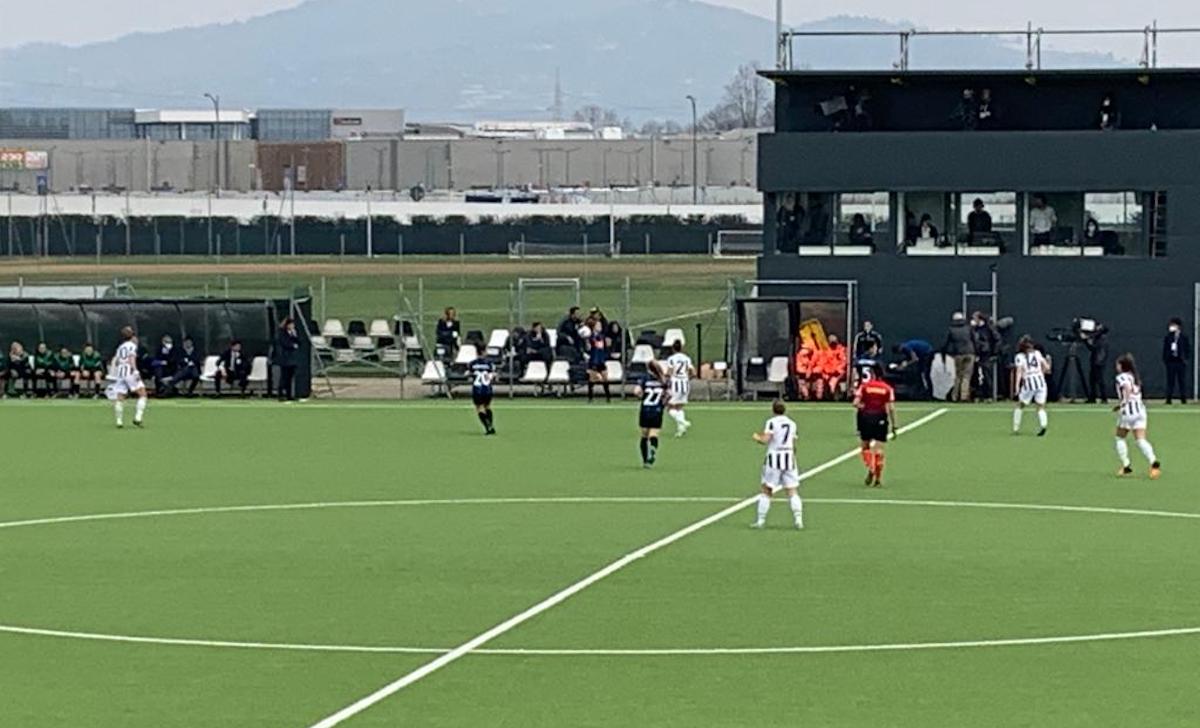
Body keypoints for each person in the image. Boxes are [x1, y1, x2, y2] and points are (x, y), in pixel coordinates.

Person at [751, 400, 804, 531]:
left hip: (774, 457)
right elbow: (792, 442)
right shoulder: (792, 423)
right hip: (789, 457)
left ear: (773, 410)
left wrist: (757, 437)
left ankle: (760, 520)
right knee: (792, 490)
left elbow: (766, 439)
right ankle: (798, 519)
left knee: (767, 489)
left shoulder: (771, 422)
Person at [1114, 354, 1161, 479]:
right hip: (1140, 411)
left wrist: (1123, 403)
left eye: (1118, 364)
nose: (1116, 367)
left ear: (1122, 366)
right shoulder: (1134, 376)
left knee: (1119, 437)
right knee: (1140, 439)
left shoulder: (1121, 377)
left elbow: (1127, 388)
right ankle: (1153, 462)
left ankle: (1126, 465)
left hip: (1128, 412)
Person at [854, 364, 898, 487]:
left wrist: (864, 407)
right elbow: (891, 408)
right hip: (880, 418)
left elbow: (855, 403)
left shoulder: (865, 386)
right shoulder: (887, 388)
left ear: (872, 374)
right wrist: (894, 426)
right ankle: (878, 479)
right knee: (879, 449)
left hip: (865, 418)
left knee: (865, 446)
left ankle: (871, 467)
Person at [108, 326, 147, 428]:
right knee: (142, 394)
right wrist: (135, 371)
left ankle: (119, 421)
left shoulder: (120, 347)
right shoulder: (132, 346)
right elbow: (131, 358)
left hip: (121, 373)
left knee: (120, 396)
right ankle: (138, 417)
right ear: (132, 336)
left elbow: (116, 361)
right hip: (129, 371)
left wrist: (113, 373)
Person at [1011, 335, 1050, 437]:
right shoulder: (1037, 353)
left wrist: (1017, 386)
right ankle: (1043, 424)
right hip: (1041, 382)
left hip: (1029, 382)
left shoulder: (1019, 357)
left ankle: (1016, 427)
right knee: (1040, 406)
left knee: (1020, 405)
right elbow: (1047, 367)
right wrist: (1042, 371)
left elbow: (1019, 372)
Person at [635, 362, 668, 468]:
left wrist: (641, 396)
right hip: (657, 410)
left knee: (644, 436)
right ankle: (653, 451)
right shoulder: (663, 380)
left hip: (645, 409)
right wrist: (663, 403)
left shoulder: (645, 379)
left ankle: (645, 461)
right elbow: (669, 395)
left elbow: (636, 392)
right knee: (654, 434)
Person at [943, 312, 975, 402]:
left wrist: (946, 352)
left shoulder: (951, 329)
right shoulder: (968, 328)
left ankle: (955, 396)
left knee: (958, 375)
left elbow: (946, 343)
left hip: (958, 354)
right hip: (969, 352)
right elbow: (974, 339)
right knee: (967, 376)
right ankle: (964, 396)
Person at [664, 341, 695, 436]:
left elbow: (669, 372)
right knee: (679, 407)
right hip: (685, 383)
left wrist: (666, 380)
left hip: (675, 384)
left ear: (673, 349)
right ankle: (681, 429)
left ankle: (683, 422)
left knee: (669, 407)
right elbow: (693, 372)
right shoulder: (686, 358)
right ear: (681, 348)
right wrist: (687, 378)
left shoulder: (671, 359)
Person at [469, 350, 497, 436]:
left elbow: (469, 374)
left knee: (479, 408)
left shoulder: (472, 364)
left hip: (477, 390)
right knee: (487, 406)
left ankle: (487, 427)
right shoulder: (489, 364)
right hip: (487, 389)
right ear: (484, 352)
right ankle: (491, 425)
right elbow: (493, 375)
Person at [1163, 317, 1190, 404]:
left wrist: (1185, 359)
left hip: (1180, 362)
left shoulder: (1184, 337)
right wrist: (1166, 360)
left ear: (1178, 326)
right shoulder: (1168, 337)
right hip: (1171, 362)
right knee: (1170, 381)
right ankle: (1169, 399)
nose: (1171, 326)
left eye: (1173, 325)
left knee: (1182, 381)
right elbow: (1165, 349)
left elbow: (1187, 349)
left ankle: (1183, 399)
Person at [813, 335, 848, 401]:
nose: (833, 344)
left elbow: (843, 362)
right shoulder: (825, 350)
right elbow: (822, 362)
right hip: (825, 372)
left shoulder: (841, 350)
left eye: (834, 342)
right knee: (820, 386)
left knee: (832, 384)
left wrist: (836, 370)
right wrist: (824, 372)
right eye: (831, 342)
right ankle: (820, 399)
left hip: (836, 373)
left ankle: (832, 397)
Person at [275, 319, 302, 402]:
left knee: (290, 377)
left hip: (292, 359)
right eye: (291, 324)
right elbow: (284, 343)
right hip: (285, 359)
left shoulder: (293, 333)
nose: (292, 326)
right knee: (284, 378)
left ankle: (289, 395)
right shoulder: (282, 333)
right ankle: (280, 395)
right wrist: (293, 345)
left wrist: (294, 335)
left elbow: (299, 342)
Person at [586, 319, 611, 404]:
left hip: (601, 360)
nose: (600, 327)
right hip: (594, 360)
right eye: (598, 325)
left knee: (605, 378)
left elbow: (605, 348)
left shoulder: (602, 337)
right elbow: (589, 347)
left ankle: (608, 397)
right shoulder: (591, 337)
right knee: (592, 379)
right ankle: (590, 398)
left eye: (600, 326)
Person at [1085, 325, 1110, 405]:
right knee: (1093, 381)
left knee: (1099, 380)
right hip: (1097, 361)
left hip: (1098, 362)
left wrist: (1086, 340)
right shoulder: (1100, 338)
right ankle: (1094, 397)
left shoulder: (1101, 338)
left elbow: (1094, 347)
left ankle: (1103, 397)